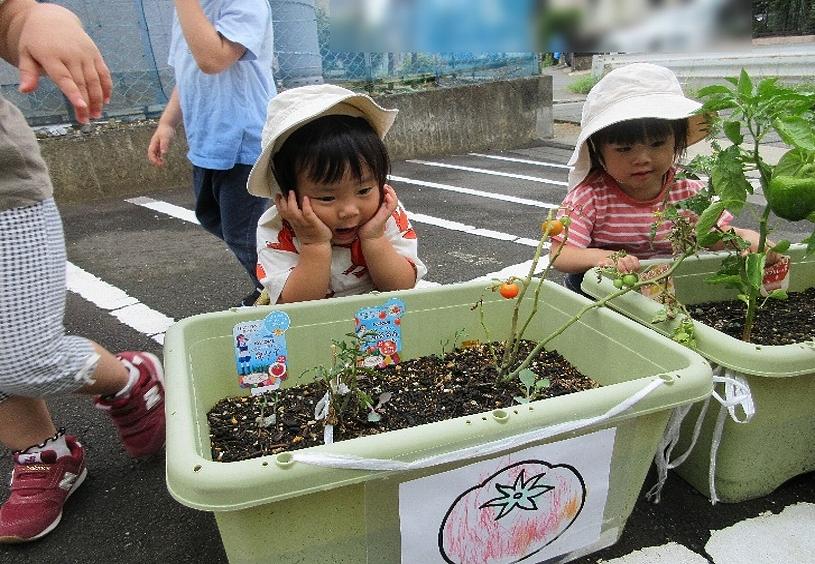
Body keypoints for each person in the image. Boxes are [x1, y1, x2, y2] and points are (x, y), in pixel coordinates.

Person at [0, 0, 165, 543]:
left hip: (4, 195)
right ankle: (44, 452)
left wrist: (32, 19)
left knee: (22, 353)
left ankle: (130, 379)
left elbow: (10, 15)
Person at [549, 63, 775, 293]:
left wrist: (745, 238)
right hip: (599, 290)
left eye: (657, 144)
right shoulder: (588, 198)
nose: (642, 159)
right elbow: (561, 255)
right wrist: (602, 257)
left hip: (664, 287)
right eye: (624, 149)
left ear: (676, 142)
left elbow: (711, 236)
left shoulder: (688, 192)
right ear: (597, 152)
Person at [246, 84, 428, 304]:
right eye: (326, 197)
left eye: (363, 190)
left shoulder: (384, 215)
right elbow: (296, 305)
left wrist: (374, 237)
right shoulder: (277, 228)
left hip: (380, 321)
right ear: (286, 194)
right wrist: (315, 245)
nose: (349, 210)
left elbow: (402, 285)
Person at [147, 0, 274, 307]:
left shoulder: (245, 4)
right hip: (208, 141)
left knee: (243, 232)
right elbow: (187, 72)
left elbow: (213, 59)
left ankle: (282, 291)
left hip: (243, 142)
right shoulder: (191, 11)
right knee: (212, 216)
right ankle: (277, 277)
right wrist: (167, 123)